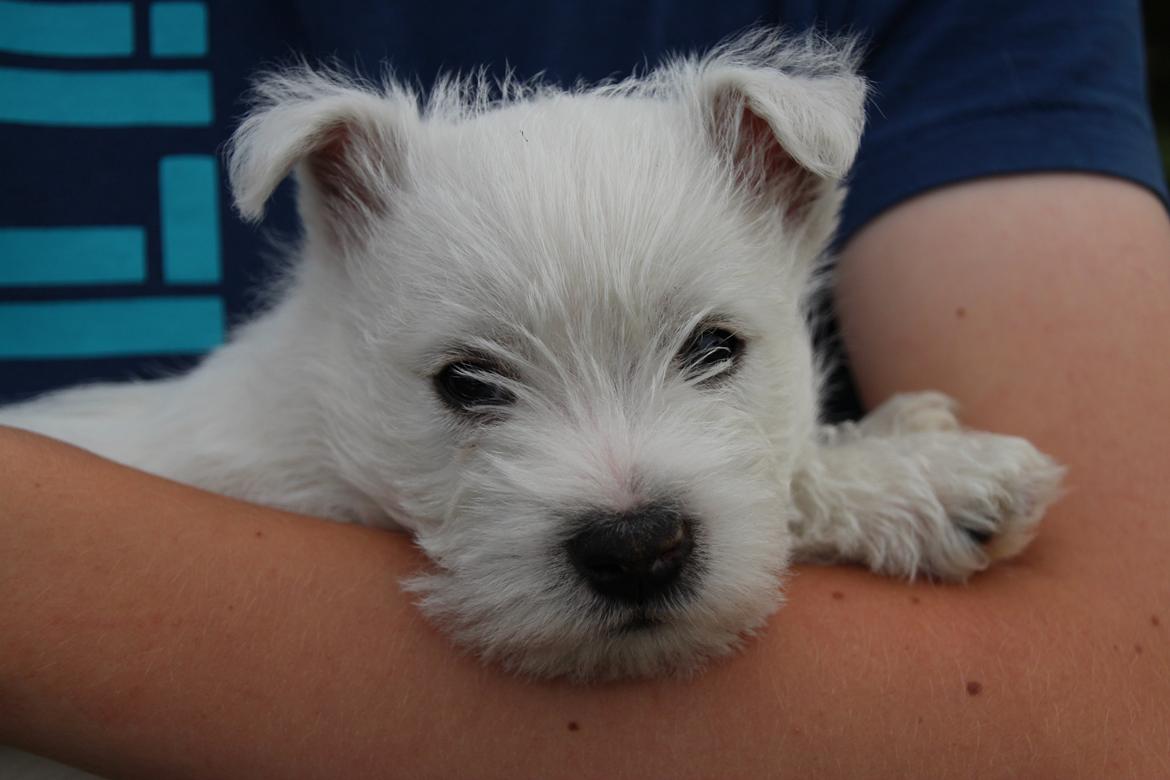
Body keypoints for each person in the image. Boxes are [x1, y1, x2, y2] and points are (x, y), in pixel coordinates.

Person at [2, 2, 1168, 777]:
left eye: (711, 353)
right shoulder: (237, 457)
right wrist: (822, 497)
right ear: (340, 232)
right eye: (474, 387)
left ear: (797, 216)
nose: (626, 507)